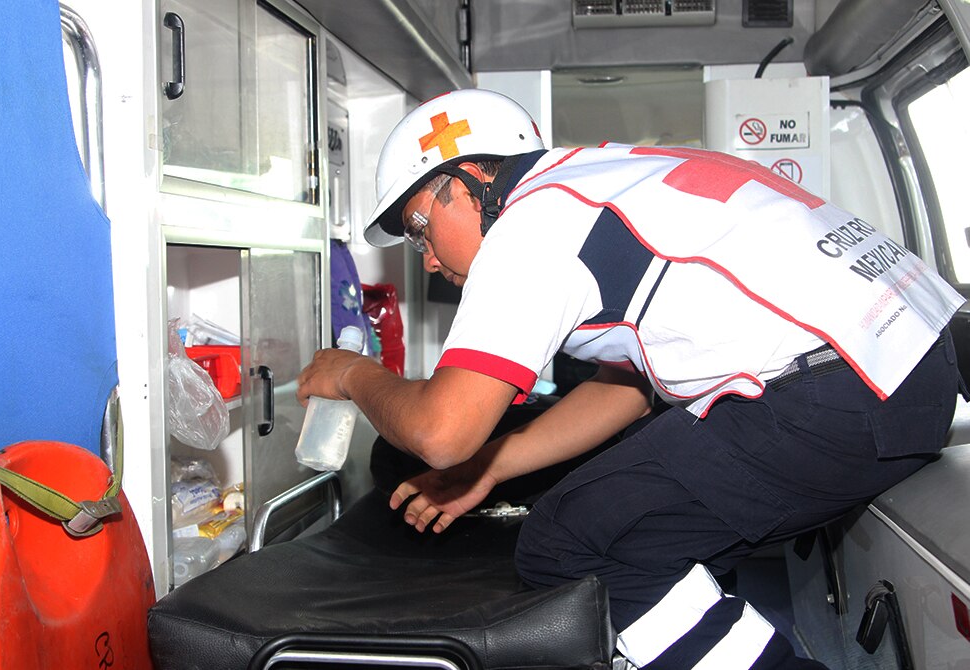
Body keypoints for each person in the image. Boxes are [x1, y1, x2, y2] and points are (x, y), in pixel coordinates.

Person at [296, 89, 966, 669]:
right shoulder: (609, 177)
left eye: (420, 227)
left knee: (575, 541)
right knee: (636, 515)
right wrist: (491, 472)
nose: (431, 258)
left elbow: (440, 432)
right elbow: (627, 389)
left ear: (468, 179)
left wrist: (354, 373)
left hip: (838, 396)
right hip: (914, 366)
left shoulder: (532, 223)